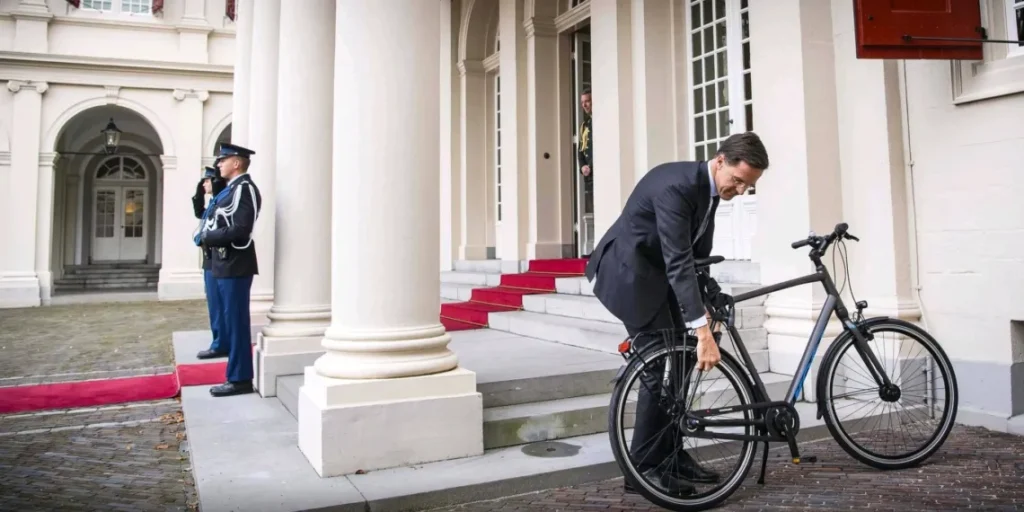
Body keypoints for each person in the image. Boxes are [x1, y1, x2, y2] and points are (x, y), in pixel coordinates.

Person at [584, 132, 769, 495]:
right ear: (720, 161)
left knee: (682, 360)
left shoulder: (710, 191)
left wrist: (711, 299)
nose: (741, 191)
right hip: (629, 275)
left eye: (748, 186)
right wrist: (701, 331)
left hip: (658, 276)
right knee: (656, 365)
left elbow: (697, 256)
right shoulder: (677, 187)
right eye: (738, 180)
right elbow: (679, 261)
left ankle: (671, 451)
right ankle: (642, 470)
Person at [199, 143, 262, 397]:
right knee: (230, 319)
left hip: (235, 262)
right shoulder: (231, 189)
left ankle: (240, 379)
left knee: (236, 323)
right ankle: (236, 374)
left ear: (237, 163)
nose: (219, 165)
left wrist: (208, 237)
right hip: (224, 262)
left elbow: (241, 229)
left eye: (223, 161)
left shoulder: (244, 189)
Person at [192, 166, 228, 360]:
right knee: (213, 304)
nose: (204, 184)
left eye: (206, 181)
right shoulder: (214, 202)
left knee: (218, 304)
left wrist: (204, 237)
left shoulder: (221, 203)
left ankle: (221, 342)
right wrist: (198, 193)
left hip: (216, 258)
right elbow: (200, 213)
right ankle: (218, 340)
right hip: (209, 259)